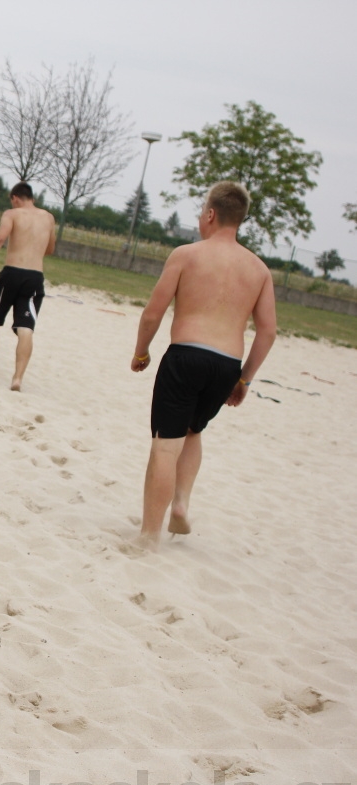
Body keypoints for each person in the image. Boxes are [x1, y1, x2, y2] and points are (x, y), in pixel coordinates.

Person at [130, 181, 276, 547]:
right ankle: (180, 503)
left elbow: (153, 313)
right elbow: (267, 332)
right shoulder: (259, 270)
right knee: (193, 431)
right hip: (227, 364)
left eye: (201, 212)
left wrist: (141, 351)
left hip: (186, 355)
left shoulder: (186, 254)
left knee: (165, 445)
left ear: (211, 214)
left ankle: (149, 534)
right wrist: (243, 380)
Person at [0, 181, 55, 391]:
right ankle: (17, 378)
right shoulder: (48, 217)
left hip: (12, 273)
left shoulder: (12, 214)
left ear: (15, 198)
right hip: (35, 276)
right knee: (26, 329)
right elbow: (50, 249)